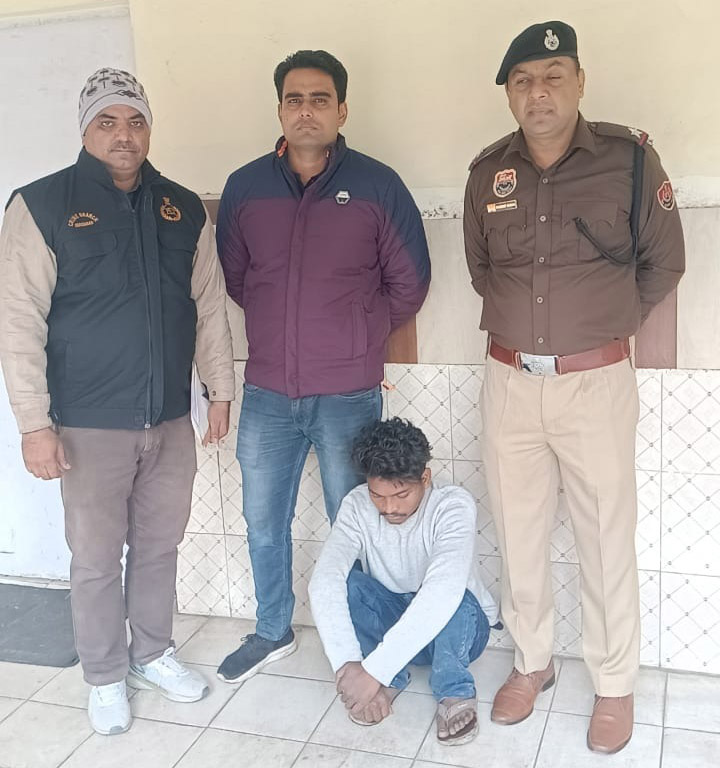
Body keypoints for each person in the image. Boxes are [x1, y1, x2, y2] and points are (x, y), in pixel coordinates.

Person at [463, 21, 685, 753]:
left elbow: (663, 262)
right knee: (518, 531)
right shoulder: (486, 172)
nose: (539, 92)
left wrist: (603, 325)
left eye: (553, 76)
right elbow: (482, 270)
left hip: (596, 383)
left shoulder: (629, 161)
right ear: (509, 94)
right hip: (508, 381)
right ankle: (532, 662)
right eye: (523, 81)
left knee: (604, 537)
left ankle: (614, 682)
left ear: (580, 82)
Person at [0, 68, 235, 735]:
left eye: (135, 121)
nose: (123, 135)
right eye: (107, 121)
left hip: (169, 419)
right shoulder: (42, 205)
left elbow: (209, 305)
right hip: (87, 426)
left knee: (159, 545)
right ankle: (104, 675)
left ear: (148, 128)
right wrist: (34, 424)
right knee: (97, 558)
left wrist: (220, 388)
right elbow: (17, 319)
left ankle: (152, 653)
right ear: (85, 130)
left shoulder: (182, 207)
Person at [215, 50, 431, 683]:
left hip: (348, 394)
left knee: (356, 522)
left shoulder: (377, 185)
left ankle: (364, 639)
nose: (306, 110)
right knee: (263, 522)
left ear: (342, 109)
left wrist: (357, 335)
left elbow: (410, 282)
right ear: (280, 109)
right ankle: (271, 631)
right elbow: (238, 279)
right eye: (294, 99)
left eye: (319, 99)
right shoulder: (246, 188)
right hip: (267, 392)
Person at [309, 417, 498, 745]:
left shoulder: (453, 504)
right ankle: (390, 678)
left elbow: (442, 593)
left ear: (424, 477)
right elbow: (324, 580)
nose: (389, 508)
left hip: (460, 629)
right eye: (378, 496)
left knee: (455, 596)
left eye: (401, 494)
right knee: (349, 584)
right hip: (395, 622)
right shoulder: (356, 504)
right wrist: (349, 666)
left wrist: (372, 671)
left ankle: (453, 691)